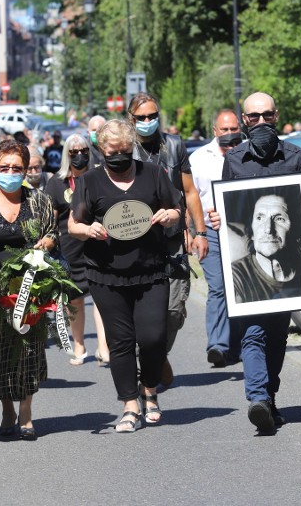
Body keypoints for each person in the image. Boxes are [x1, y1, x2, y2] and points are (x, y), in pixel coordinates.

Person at [209, 91, 301, 435]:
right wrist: (219, 217)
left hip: (290, 268)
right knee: (253, 334)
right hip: (247, 268)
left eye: (267, 116)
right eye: (253, 117)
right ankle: (258, 397)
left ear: (277, 116)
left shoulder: (293, 157)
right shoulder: (234, 161)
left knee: (276, 335)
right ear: (244, 121)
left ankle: (269, 399)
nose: (261, 122)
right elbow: (230, 212)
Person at [68, 119, 181, 433]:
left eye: (125, 149)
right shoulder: (90, 181)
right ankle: (130, 405)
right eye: (112, 150)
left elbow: (175, 209)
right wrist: (88, 229)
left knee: (153, 337)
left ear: (133, 147)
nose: (119, 155)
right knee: (120, 341)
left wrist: (167, 214)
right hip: (107, 274)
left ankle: (150, 390)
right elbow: (73, 225)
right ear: (102, 149)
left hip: (150, 269)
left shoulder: (154, 174)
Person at [0, 140, 58, 440]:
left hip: (30, 287)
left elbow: (51, 233)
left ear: (24, 170)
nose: (10, 173)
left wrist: (47, 242)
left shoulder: (38, 200)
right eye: (4, 167)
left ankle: (26, 412)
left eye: (16, 168)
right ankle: (7, 407)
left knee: (29, 351)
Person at [127, 92, 209, 386]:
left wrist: (199, 232)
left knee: (174, 311)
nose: (148, 122)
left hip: (173, 243)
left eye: (152, 116)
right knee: (142, 313)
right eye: (142, 118)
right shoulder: (125, 149)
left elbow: (190, 192)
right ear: (131, 119)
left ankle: (156, 357)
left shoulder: (174, 145)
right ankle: (149, 363)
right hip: (137, 244)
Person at [44, 133, 109, 366]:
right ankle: (79, 345)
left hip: (98, 245)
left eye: (84, 151)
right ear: (66, 155)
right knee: (75, 300)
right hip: (68, 249)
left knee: (101, 297)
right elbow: (50, 221)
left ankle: (103, 345)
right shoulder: (56, 183)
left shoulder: (99, 178)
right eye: (74, 153)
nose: (80, 156)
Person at [189, 109, 243, 365]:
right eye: (225, 130)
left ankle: (242, 343)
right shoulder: (199, 158)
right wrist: (194, 232)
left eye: (234, 129)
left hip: (243, 230)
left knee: (242, 286)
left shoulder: (249, 153)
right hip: (210, 230)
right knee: (219, 286)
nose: (230, 134)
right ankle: (218, 345)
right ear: (214, 131)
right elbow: (191, 197)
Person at [230, 190, 301, 302]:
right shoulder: (235, 277)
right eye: (260, 218)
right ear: (252, 232)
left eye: (279, 219)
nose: (268, 229)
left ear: (294, 231)